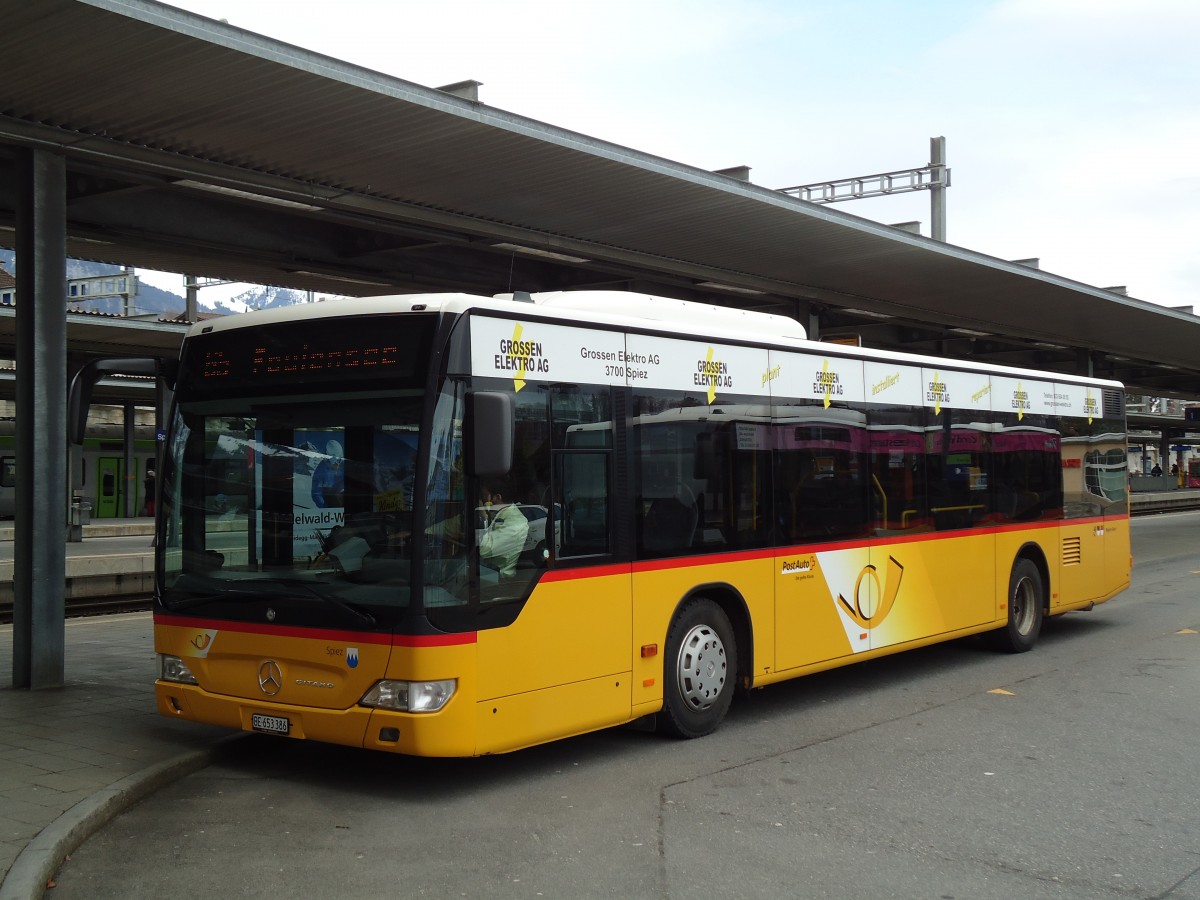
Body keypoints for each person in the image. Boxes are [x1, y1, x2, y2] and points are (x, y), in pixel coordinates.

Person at [477, 480, 529, 577]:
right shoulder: (498, 512)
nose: (482, 501)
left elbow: (485, 551)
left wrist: (484, 519)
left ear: (497, 497)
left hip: (499, 577)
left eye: (484, 496)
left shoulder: (515, 522)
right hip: (486, 570)